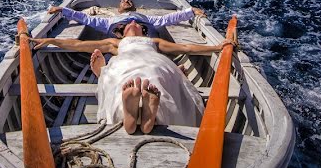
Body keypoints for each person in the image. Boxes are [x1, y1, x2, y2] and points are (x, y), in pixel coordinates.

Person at [32, 19, 231, 135]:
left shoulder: (153, 40)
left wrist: (217, 47)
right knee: (128, 78)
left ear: (143, 31)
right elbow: (78, 45)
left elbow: (186, 48)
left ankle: (137, 115)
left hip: (154, 61)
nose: (133, 22)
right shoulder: (114, 43)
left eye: (136, 23)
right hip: (126, 62)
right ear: (121, 32)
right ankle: (137, 114)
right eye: (128, 24)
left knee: (153, 76)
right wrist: (52, 40)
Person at [47, 0, 205, 38]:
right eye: (123, 1)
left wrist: (191, 11)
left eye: (129, 0)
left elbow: (167, 18)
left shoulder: (146, 19)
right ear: (118, 9)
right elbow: (85, 18)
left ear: (134, 7)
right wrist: (62, 9)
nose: (127, 0)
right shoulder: (108, 21)